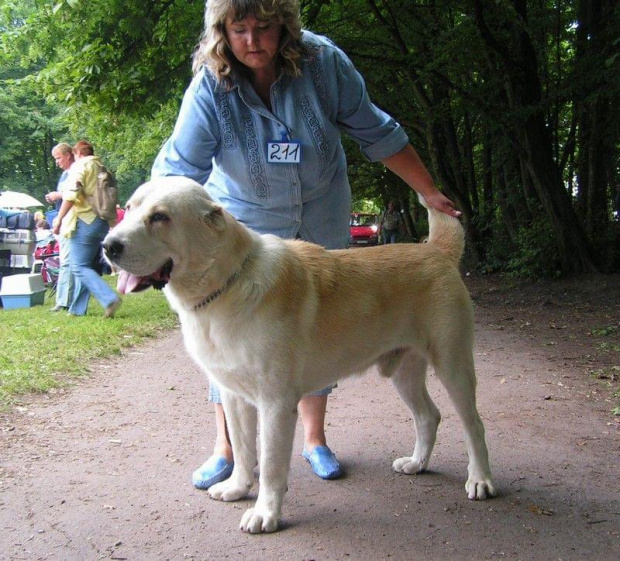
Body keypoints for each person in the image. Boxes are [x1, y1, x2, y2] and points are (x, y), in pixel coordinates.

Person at [151, 0, 460, 490]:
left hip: (319, 212)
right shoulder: (211, 84)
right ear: (222, 31)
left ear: (285, 27)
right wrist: (150, 228)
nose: (253, 40)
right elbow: (178, 167)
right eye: (240, 28)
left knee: (316, 329)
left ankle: (314, 438)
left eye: (265, 27)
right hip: (245, 223)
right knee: (225, 332)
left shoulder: (323, 62)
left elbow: (375, 130)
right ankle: (227, 449)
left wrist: (428, 191)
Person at [51, 140, 122, 318]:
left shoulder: (81, 166)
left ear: (77, 154)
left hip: (85, 220)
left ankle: (109, 298)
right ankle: (77, 309)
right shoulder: (101, 167)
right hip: (102, 221)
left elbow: (72, 193)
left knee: (78, 266)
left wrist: (58, 219)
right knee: (87, 265)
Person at [46, 143, 76, 313]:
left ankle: (64, 300)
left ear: (68, 155)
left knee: (67, 262)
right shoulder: (65, 174)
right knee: (66, 261)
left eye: (58, 158)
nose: (57, 162)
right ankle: (64, 299)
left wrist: (58, 195)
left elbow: (75, 195)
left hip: (69, 220)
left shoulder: (75, 173)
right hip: (62, 219)